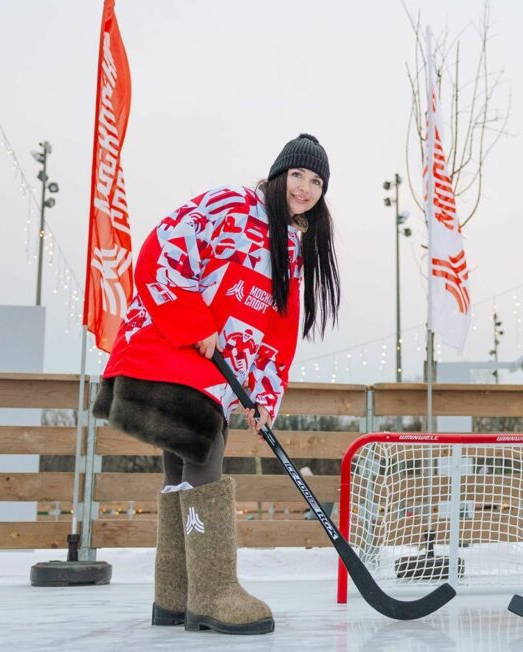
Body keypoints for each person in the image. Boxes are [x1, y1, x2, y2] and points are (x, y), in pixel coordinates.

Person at [92, 133, 340, 635]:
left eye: (316, 181)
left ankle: (175, 595)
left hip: (212, 373)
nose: (305, 188)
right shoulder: (231, 205)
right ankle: (214, 592)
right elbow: (159, 252)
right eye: (297, 174)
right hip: (169, 349)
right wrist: (194, 323)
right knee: (203, 451)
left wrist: (263, 397)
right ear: (278, 175)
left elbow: (277, 332)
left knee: (183, 466)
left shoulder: (291, 247)